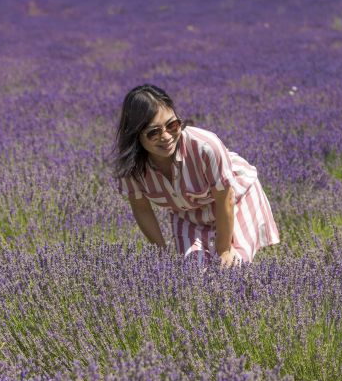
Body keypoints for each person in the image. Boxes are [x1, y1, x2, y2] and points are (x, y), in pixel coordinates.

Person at [113, 84, 279, 266]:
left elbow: (226, 198)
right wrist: (162, 254)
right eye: (154, 132)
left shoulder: (205, 147)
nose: (167, 136)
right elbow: (142, 209)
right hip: (188, 213)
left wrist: (223, 249)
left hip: (236, 198)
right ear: (136, 135)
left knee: (232, 267)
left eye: (172, 125)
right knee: (194, 271)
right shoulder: (130, 168)